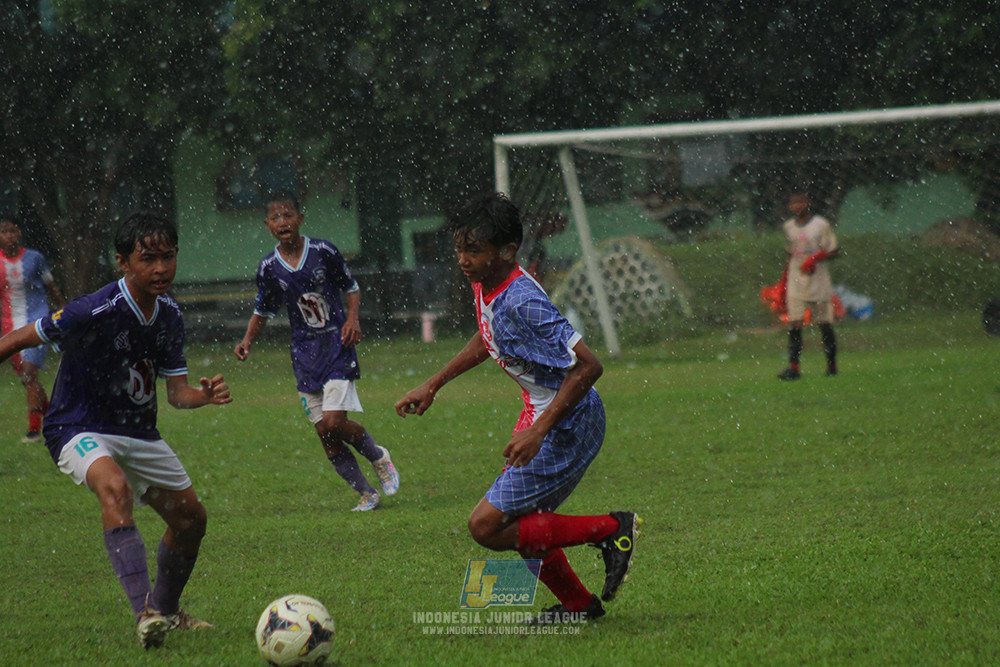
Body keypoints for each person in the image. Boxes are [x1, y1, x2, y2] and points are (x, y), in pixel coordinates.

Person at [395, 192, 640, 625]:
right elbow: (488, 337)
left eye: (473, 250)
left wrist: (539, 430)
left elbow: (588, 366)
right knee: (522, 521)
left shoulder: (524, 300)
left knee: (487, 526)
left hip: (569, 421)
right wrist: (433, 383)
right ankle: (578, 605)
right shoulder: (486, 283)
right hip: (545, 415)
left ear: (507, 251)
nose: (462, 259)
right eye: (459, 248)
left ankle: (611, 530)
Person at [0, 211, 232, 648]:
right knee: (115, 488)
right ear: (123, 262)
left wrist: (205, 395)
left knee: (191, 520)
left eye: (168, 257)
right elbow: (14, 340)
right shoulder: (91, 310)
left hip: (139, 432)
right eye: (148, 259)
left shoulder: (169, 315)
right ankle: (144, 614)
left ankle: (166, 611)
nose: (160, 268)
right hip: (77, 425)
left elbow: (177, 393)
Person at [234, 192, 399, 511]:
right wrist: (247, 341)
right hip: (305, 355)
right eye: (276, 218)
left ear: (300, 219)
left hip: (337, 346)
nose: (283, 222)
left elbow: (350, 287)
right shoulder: (269, 267)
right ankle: (367, 493)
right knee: (325, 433)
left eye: (288, 215)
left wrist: (352, 319)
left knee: (335, 422)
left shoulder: (323, 251)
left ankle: (378, 456)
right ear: (268, 225)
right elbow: (263, 309)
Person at [0, 216, 67, 443]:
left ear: (18, 233)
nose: (8, 235)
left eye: (12, 231)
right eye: (3, 231)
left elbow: (51, 286)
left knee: (29, 373)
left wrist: (66, 311)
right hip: (10, 326)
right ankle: (55, 420)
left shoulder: (35, 258)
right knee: (27, 381)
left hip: (36, 322)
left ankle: (33, 431)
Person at [777, 193, 840, 380]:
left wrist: (815, 258)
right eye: (793, 203)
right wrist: (783, 282)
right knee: (795, 323)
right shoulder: (788, 227)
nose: (797, 206)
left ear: (808, 203)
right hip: (796, 280)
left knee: (824, 324)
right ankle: (794, 368)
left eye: (800, 202)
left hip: (818, 280)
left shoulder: (820, 225)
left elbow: (834, 251)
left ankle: (832, 367)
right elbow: (790, 254)